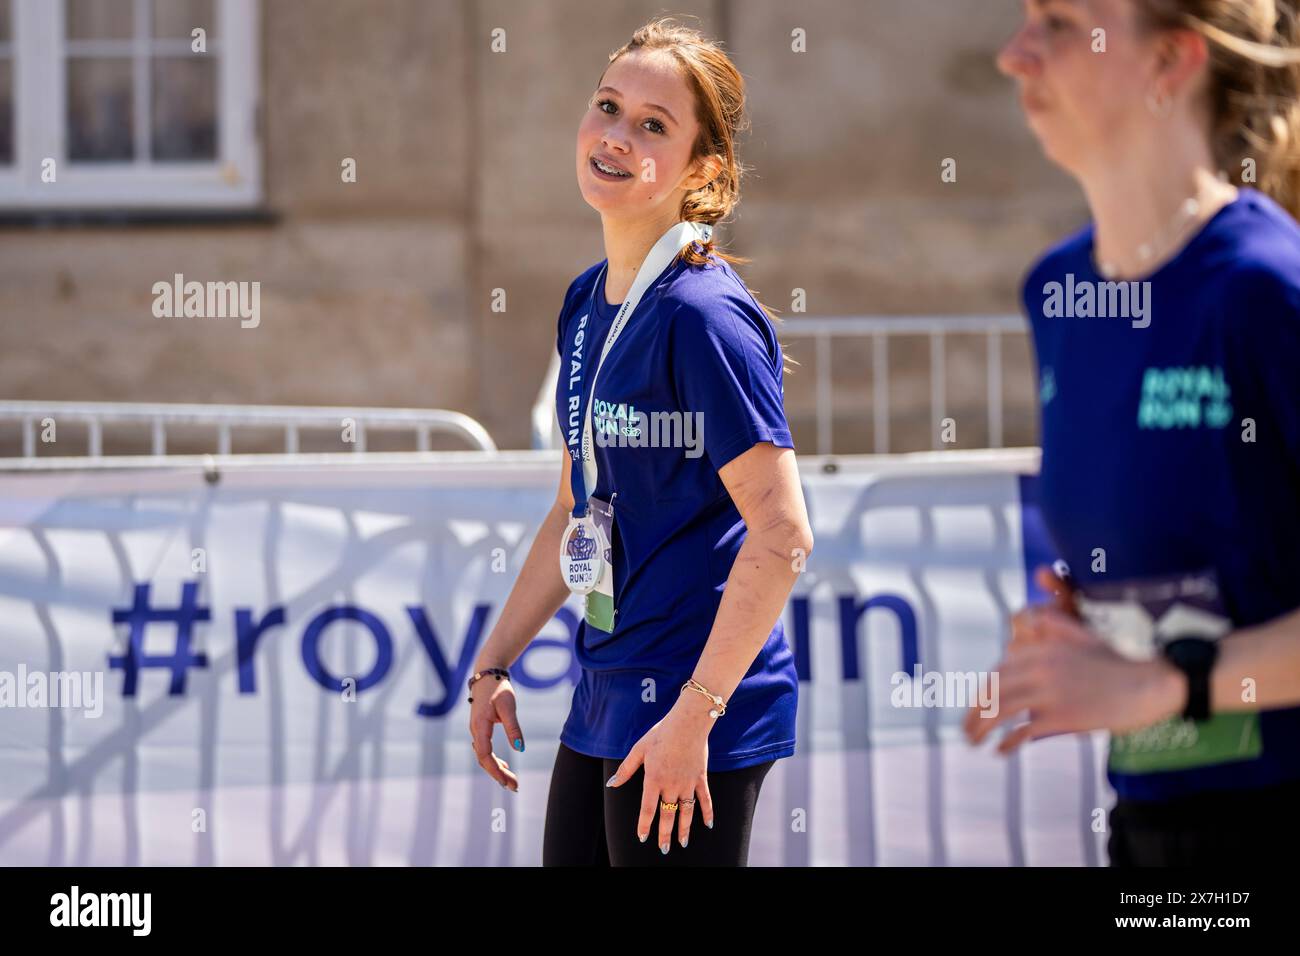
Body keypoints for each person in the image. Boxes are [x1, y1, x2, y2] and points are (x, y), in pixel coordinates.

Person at [466, 16, 812, 867]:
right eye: (608, 106)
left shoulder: (702, 316)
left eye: (654, 125)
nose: (617, 135)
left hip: (695, 709)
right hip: (606, 694)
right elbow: (570, 508)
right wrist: (492, 665)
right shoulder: (587, 301)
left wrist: (694, 713)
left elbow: (783, 535)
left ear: (704, 169)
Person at [964, 0, 1300, 865]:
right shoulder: (1057, 292)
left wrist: (1163, 682)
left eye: (1060, 24)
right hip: (1149, 826)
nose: (1014, 55)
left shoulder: (1265, 288)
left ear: (1168, 63)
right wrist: (1082, 632)